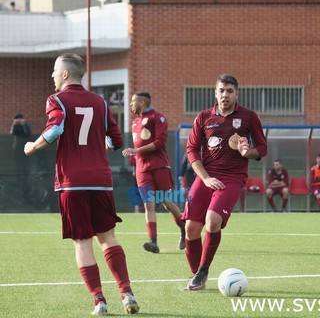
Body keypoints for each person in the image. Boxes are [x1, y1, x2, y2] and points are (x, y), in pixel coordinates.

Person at [24, 53, 139, 315]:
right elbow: (117, 141)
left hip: (71, 182)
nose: (52, 75)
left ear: (65, 74)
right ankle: (126, 292)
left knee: (83, 242)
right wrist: (99, 145)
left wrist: (32, 147)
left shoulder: (57, 100)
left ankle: (99, 300)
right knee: (108, 238)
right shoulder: (100, 101)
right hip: (101, 180)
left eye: (55, 71)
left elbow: (54, 130)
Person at [182, 74, 267, 291]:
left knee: (212, 220)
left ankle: (203, 271)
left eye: (229, 91)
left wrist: (247, 153)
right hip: (206, 176)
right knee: (191, 228)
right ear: (215, 93)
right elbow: (191, 150)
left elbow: (263, 148)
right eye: (221, 90)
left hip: (232, 178)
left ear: (236, 93)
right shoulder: (203, 117)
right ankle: (196, 277)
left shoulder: (249, 117)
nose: (225, 94)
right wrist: (205, 178)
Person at [122, 92, 186, 254]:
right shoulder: (135, 122)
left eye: (133, 101)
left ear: (142, 103)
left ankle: (184, 229)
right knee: (148, 204)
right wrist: (134, 156)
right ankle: (153, 241)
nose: (130, 105)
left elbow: (159, 142)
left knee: (167, 203)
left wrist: (136, 150)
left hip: (159, 166)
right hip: (142, 170)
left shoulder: (158, 118)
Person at [10, 113, 32, 201]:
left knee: (26, 166)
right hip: (17, 149)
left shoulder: (26, 125)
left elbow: (28, 134)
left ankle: (25, 181)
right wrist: (14, 124)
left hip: (26, 149)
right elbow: (12, 133)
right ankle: (19, 180)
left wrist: (24, 125)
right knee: (18, 165)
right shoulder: (15, 126)